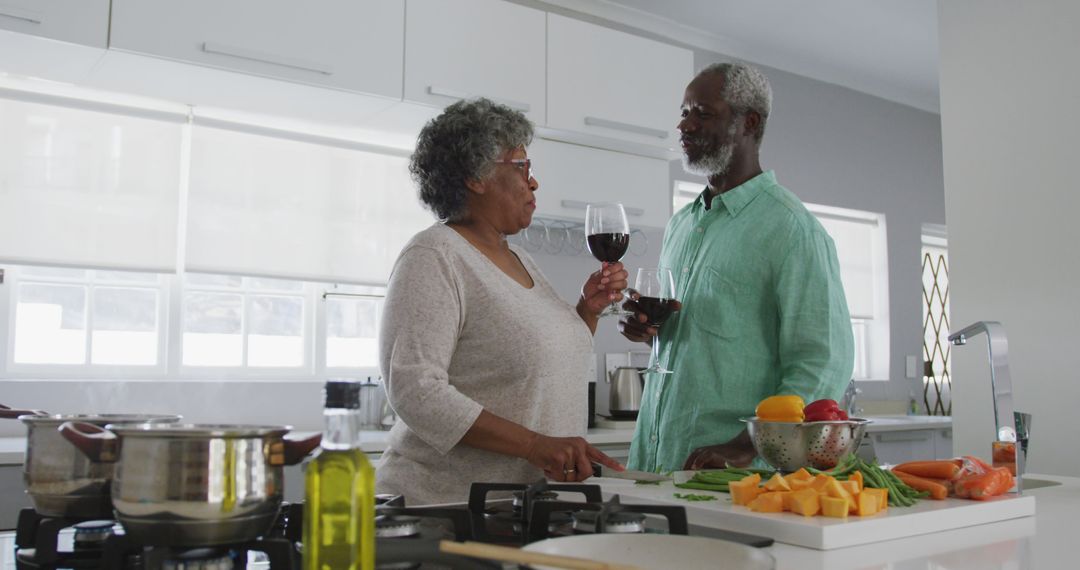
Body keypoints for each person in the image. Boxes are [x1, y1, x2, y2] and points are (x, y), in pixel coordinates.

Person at [376, 98, 626, 505]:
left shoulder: (519, 258)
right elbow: (415, 390)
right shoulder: (434, 254)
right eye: (521, 167)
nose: (534, 182)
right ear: (476, 177)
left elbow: (548, 362)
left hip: (522, 506)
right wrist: (534, 445)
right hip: (447, 506)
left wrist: (588, 310)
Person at [620, 62, 855, 472]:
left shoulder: (793, 229)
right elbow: (697, 338)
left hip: (733, 479)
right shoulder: (681, 224)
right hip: (656, 462)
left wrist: (749, 444)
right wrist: (648, 330)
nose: (685, 126)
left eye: (702, 113)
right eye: (683, 112)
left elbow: (823, 363)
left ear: (748, 123)